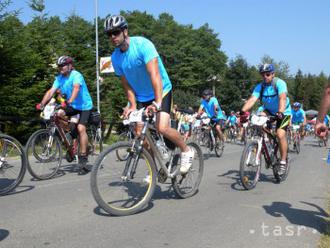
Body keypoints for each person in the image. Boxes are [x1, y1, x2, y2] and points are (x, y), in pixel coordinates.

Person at [104, 14, 194, 174]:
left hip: (161, 90)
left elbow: (155, 75)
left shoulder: (143, 45)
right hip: (142, 97)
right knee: (140, 134)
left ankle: (186, 150)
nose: (112, 37)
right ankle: (153, 169)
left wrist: (157, 103)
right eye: (109, 34)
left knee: (162, 127)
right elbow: (125, 83)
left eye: (115, 32)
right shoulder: (115, 57)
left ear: (125, 31)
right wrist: (131, 104)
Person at [36, 56, 93, 174]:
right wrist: (42, 103)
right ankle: (70, 141)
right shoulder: (59, 78)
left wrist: (69, 102)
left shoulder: (76, 75)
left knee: (81, 128)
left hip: (84, 106)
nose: (61, 68)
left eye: (63, 65)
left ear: (70, 66)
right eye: (59, 66)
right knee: (57, 114)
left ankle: (83, 158)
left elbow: (76, 89)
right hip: (72, 106)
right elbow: (51, 91)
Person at [241, 63, 291, 175]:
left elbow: (282, 98)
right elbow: (252, 99)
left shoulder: (279, 83)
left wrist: (281, 112)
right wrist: (242, 111)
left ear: (273, 74)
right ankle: (266, 144)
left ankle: (283, 161)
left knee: (280, 134)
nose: (265, 76)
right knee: (257, 122)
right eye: (262, 74)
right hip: (267, 110)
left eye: (268, 74)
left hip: (283, 112)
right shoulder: (260, 86)